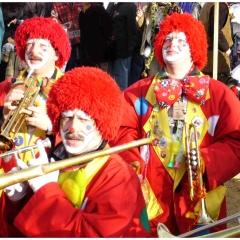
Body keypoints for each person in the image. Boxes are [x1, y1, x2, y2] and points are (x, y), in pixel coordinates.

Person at [109, 12, 240, 237]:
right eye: (168, 39)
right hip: (151, 197)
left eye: (181, 40)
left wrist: (208, 161)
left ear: (195, 47)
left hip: (201, 198)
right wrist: (135, 165)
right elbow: (120, 131)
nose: (172, 44)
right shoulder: (138, 91)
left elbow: (236, 140)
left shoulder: (219, 94)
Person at [0, 67, 151, 237]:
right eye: (66, 117)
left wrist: (46, 192)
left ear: (103, 123)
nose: (72, 128)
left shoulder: (118, 176)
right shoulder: (54, 158)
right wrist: (17, 202)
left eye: (84, 119)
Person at [0, 17, 71, 173]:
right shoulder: (6, 88)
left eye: (43, 45)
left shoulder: (71, 91)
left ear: (57, 54)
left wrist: (51, 127)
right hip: (8, 173)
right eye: (30, 44)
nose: (33, 51)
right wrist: (3, 116)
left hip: (50, 176)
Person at [199, 2, 238, 95]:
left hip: (207, 54)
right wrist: (226, 47)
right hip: (216, 57)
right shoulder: (220, 6)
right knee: (216, 93)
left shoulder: (208, 4)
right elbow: (214, 30)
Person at [136, 2, 182, 79]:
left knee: (166, 74)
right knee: (152, 74)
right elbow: (141, 26)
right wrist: (140, 18)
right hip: (151, 48)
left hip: (167, 48)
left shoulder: (175, 9)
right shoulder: (148, 8)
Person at [107, 2, 138, 91]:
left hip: (123, 49)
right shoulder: (113, 5)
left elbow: (132, 28)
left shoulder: (130, 6)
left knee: (121, 81)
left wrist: (130, 47)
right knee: (110, 80)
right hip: (112, 50)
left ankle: (121, 102)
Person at [78, 2, 115, 72]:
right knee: (102, 78)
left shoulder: (83, 11)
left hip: (86, 54)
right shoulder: (100, 10)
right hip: (100, 54)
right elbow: (110, 30)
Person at [51, 2, 83, 72]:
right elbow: (54, 19)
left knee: (84, 64)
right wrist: (63, 27)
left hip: (84, 38)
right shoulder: (57, 4)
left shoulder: (82, 2)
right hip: (67, 39)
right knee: (70, 64)